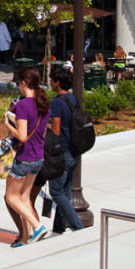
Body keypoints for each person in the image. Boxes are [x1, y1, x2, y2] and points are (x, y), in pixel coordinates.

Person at [4, 67, 51, 245]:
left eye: (18, 83)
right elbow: (42, 134)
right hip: (39, 157)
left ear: (24, 83)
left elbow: (22, 136)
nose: (18, 87)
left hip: (25, 157)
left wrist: (9, 125)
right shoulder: (44, 105)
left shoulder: (23, 105)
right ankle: (25, 239)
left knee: (11, 197)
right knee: (24, 199)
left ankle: (38, 227)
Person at [47, 68, 84, 235]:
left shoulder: (56, 102)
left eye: (52, 80)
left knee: (56, 191)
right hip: (75, 152)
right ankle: (59, 227)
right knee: (65, 193)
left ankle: (78, 226)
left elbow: (56, 131)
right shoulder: (73, 99)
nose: (51, 83)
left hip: (63, 152)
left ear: (57, 82)